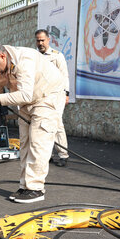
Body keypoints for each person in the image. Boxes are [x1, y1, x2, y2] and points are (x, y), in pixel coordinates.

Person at [0, 39, 66, 203]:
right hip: (26, 101)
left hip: (47, 97)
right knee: (25, 142)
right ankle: (25, 186)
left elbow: (24, 94)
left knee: (39, 142)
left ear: (2, 56)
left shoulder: (25, 60)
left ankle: (35, 188)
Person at [35, 29, 69, 167]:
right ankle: (48, 155)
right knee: (42, 126)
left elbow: (64, 75)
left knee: (57, 124)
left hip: (56, 95)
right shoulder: (34, 56)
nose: (40, 43)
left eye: (43, 40)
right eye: (38, 40)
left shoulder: (57, 56)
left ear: (48, 40)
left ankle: (63, 155)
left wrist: (66, 93)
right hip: (41, 96)